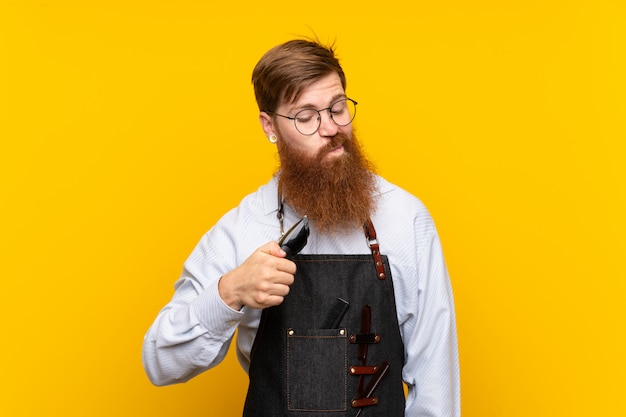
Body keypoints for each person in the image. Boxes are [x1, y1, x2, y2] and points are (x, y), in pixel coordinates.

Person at [142, 38, 460, 417]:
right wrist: (230, 292)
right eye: (306, 117)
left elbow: (435, 388)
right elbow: (160, 362)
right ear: (269, 126)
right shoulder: (241, 229)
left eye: (338, 108)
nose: (331, 128)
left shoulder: (406, 219)